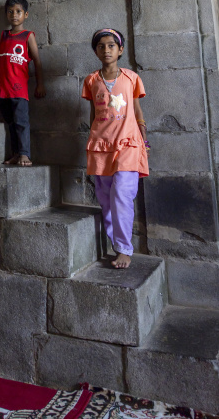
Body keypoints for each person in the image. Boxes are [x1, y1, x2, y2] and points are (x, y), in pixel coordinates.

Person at [82, 28, 150, 269]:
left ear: (120, 50)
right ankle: (116, 243)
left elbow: (137, 110)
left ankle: (123, 248)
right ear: (96, 51)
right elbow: (94, 115)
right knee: (105, 197)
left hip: (128, 143)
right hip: (101, 145)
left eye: (111, 45)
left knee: (122, 193)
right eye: (101, 46)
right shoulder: (91, 80)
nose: (106, 50)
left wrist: (142, 133)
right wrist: (92, 139)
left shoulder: (131, 78)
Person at [0, 0, 46, 167]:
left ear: (26, 14)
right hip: (3, 89)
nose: (14, 15)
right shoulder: (4, 35)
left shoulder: (28, 36)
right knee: (10, 123)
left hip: (18, 89)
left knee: (21, 121)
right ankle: (16, 153)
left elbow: (37, 61)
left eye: (18, 12)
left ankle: (25, 154)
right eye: (10, 12)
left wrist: (40, 84)